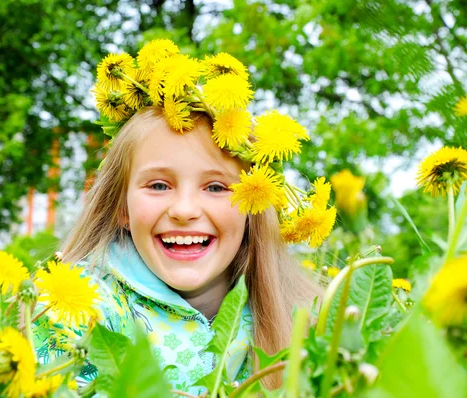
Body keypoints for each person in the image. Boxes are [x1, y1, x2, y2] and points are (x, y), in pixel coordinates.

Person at [35, 39, 334, 395]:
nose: (185, 210)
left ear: (254, 206)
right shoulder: (71, 308)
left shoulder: (305, 320)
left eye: (216, 187)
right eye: (159, 185)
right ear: (121, 207)